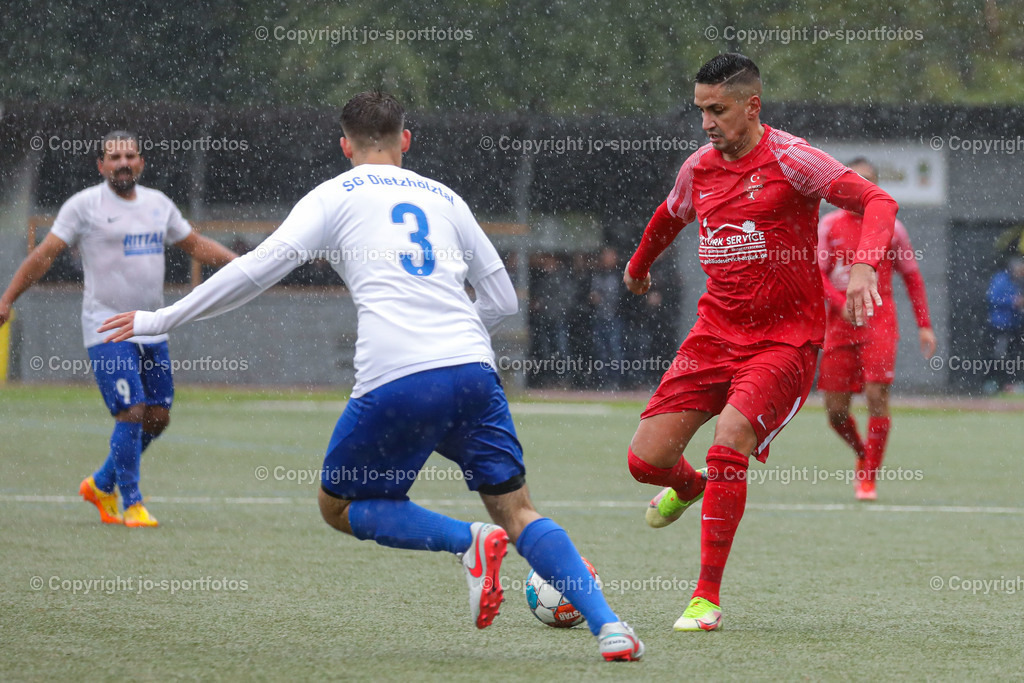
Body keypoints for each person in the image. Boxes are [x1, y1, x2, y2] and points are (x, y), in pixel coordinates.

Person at [99, 91, 643, 662]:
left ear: (344, 145)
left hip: (398, 376)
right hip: (474, 372)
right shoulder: (446, 197)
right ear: (405, 139)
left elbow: (258, 269)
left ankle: (468, 542)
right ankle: (611, 627)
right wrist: (452, 332)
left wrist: (159, 317)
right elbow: (502, 298)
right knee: (518, 508)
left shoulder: (334, 195)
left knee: (338, 506)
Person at [621, 54, 897, 632]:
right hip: (713, 335)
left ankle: (705, 598)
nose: (706, 123)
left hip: (783, 342)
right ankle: (690, 487)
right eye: (700, 111)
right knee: (645, 462)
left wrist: (868, 265)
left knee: (730, 440)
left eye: (717, 110)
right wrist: (639, 264)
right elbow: (671, 216)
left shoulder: (794, 160)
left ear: (752, 106)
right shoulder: (697, 168)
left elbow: (877, 200)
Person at [0, 131, 237, 528]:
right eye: (114, 157)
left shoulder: (158, 205)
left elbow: (195, 245)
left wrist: (242, 265)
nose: (123, 162)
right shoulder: (84, 206)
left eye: (130, 155)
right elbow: (44, 255)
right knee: (132, 410)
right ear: (101, 166)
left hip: (151, 328)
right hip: (107, 328)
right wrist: (7, 298)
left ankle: (100, 483)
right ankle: (131, 502)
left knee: (158, 416)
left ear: (141, 162)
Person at [817, 158, 937, 500]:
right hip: (839, 324)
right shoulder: (829, 225)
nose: (860, 187)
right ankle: (861, 452)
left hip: (879, 320)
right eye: (854, 180)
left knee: (876, 395)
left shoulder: (891, 228)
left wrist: (924, 325)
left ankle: (868, 476)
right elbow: (818, 275)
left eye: (867, 181)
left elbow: (912, 277)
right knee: (836, 411)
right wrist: (841, 304)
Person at [985, 256, 1024, 392]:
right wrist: (1012, 301)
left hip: (1014, 325)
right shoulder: (1001, 279)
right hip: (1000, 325)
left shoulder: (1017, 282)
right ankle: (993, 382)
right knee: (998, 354)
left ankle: (1010, 384)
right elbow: (992, 297)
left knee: (1013, 354)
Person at [589, 246, 625, 389]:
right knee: (601, 351)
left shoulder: (619, 274)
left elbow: (624, 296)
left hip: (615, 317)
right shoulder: (597, 274)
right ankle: (603, 381)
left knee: (615, 350)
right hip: (599, 317)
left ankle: (615, 381)